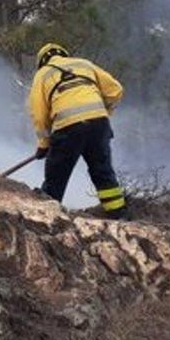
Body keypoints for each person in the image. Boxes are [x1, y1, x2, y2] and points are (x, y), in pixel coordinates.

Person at [27, 42, 127, 219]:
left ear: (42, 61)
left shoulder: (42, 74)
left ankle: (48, 216)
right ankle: (118, 214)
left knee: (56, 173)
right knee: (102, 171)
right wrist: (104, 112)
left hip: (68, 127)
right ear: (64, 55)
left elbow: (39, 113)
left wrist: (44, 144)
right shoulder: (83, 64)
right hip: (99, 125)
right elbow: (115, 90)